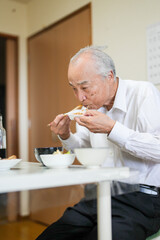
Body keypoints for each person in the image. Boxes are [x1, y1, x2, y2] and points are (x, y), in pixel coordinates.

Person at [36, 46, 160, 240]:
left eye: (85, 88)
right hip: (98, 194)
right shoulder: (90, 108)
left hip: (141, 200)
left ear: (109, 76)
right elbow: (84, 149)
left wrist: (112, 128)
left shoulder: (143, 93)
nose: (80, 98)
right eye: (74, 89)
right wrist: (66, 135)